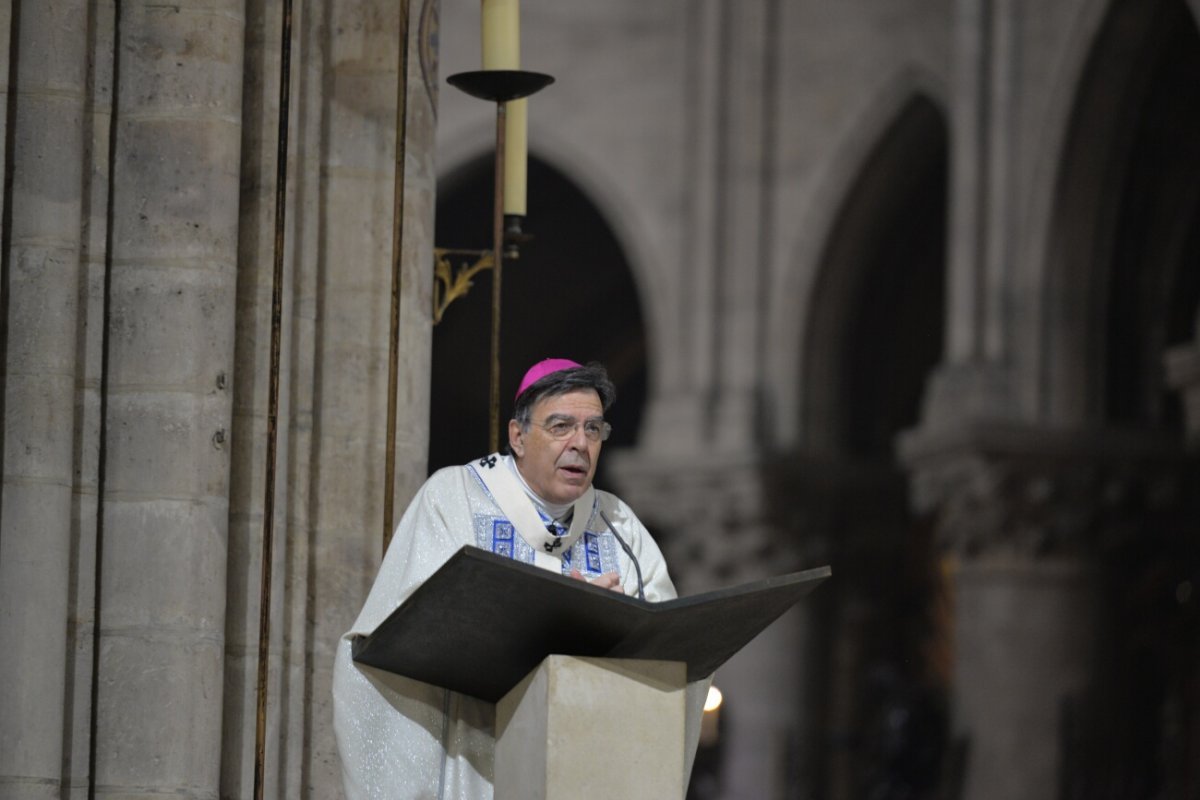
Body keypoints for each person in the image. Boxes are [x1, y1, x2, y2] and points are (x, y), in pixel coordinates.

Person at [332, 359, 707, 799]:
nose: (580, 444)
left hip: (585, 762)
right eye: (561, 426)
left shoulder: (619, 526)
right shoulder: (457, 499)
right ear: (517, 436)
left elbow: (666, 648)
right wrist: (565, 618)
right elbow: (410, 633)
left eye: (593, 429)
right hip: (476, 757)